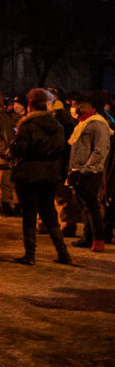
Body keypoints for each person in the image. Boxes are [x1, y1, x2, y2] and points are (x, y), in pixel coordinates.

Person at [9, 89, 71, 266]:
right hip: (50, 173)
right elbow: (61, 149)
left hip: (28, 174)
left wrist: (13, 148)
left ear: (31, 105)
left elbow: (20, 149)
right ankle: (63, 252)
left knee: (29, 213)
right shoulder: (57, 126)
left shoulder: (27, 126)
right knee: (49, 212)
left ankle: (30, 255)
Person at [65, 91, 111, 252]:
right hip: (79, 170)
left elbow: (100, 150)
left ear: (89, 105)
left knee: (91, 206)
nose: (76, 108)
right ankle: (88, 237)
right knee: (84, 206)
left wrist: (85, 170)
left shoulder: (98, 124)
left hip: (90, 172)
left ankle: (98, 239)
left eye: (79, 105)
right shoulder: (83, 123)